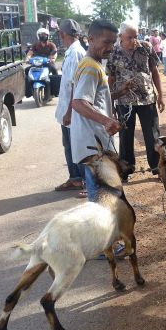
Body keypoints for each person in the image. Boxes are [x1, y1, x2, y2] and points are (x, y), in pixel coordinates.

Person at [69, 19, 120, 202]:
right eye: (106, 42)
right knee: (100, 197)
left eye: (113, 42)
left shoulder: (93, 64)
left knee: (101, 194)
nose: (111, 47)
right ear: (90, 39)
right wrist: (107, 121)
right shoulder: (90, 66)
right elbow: (78, 102)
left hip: (94, 141)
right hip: (94, 144)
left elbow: (91, 99)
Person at [107, 22, 165, 181]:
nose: (133, 40)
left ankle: (157, 168)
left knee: (152, 135)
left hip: (147, 99)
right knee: (126, 137)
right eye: (129, 37)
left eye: (136, 36)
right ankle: (126, 170)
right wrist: (111, 103)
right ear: (120, 37)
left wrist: (160, 95)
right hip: (124, 101)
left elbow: (154, 71)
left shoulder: (146, 47)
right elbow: (111, 79)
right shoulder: (113, 52)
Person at [53, 19, 86, 194]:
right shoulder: (72, 51)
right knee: (69, 145)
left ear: (62, 34)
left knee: (77, 146)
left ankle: (86, 182)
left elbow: (75, 85)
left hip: (72, 110)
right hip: (69, 108)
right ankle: (75, 179)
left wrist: (69, 111)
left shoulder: (75, 53)